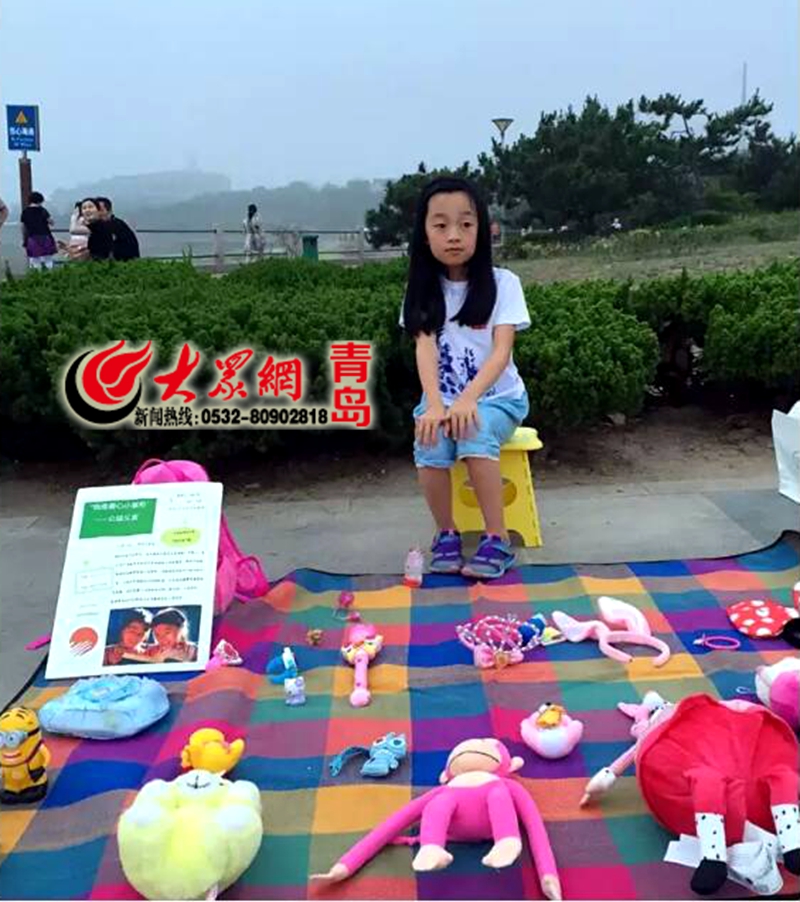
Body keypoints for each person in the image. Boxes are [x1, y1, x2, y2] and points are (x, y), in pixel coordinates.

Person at [401, 177, 531, 580]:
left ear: (482, 229)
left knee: (472, 427)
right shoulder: (421, 289)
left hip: (499, 399)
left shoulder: (504, 283)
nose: (454, 235)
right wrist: (433, 404)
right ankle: (446, 533)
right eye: (441, 225)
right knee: (429, 435)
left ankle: (497, 539)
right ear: (425, 233)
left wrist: (468, 399)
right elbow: (424, 348)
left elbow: (501, 352)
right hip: (444, 397)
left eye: (466, 224)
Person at [87, 196, 140, 261]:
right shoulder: (99, 227)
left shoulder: (116, 226)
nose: (97, 213)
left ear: (109, 211)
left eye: (100, 210)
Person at [20, 191, 57, 271]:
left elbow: (23, 226)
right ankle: (50, 274)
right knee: (48, 258)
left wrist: (24, 238)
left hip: (32, 237)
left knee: (35, 259)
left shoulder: (25, 211)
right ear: (40, 200)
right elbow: (51, 222)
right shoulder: (43, 210)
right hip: (45, 236)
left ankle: (37, 276)